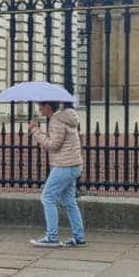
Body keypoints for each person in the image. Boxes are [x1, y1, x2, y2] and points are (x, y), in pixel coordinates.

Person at [29, 100, 86, 248]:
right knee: (69, 201)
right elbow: (59, 140)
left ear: (47, 106)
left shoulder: (56, 120)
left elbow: (53, 145)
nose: (39, 110)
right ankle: (79, 238)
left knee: (47, 197)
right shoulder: (66, 117)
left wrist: (35, 131)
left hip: (64, 165)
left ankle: (51, 237)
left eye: (40, 106)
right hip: (74, 164)